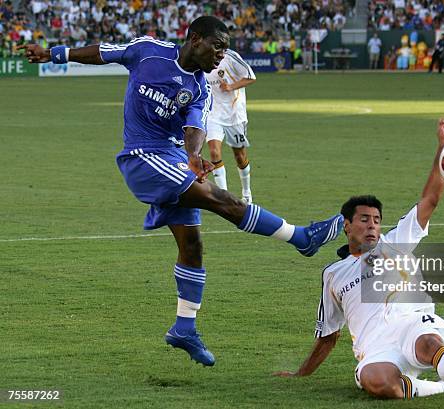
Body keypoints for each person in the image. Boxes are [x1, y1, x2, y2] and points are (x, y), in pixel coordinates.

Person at [19, 16, 344, 367]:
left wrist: (192, 156)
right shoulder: (148, 51)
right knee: (220, 200)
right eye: (217, 46)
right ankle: (301, 238)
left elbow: (195, 126)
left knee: (192, 245)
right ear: (195, 39)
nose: (221, 55)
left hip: (173, 157)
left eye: (225, 49)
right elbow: (102, 51)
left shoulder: (201, 88)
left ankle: (184, 327)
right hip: (142, 156)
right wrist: (54, 53)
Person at [275, 119, 444, 401]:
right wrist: (300, 373)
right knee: (377, 382)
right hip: (376, 345)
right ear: (347, 225)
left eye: (377, 220)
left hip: (415, 325)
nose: (372, 226)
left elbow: (429, 200)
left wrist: (442, 149)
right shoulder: (333, 274)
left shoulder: (394, 243)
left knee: (427, 343)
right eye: (364, 220)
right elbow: (329, 335)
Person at [205, 49, 256, 204]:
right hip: (213, 114)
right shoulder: (200, 59)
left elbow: (251, 77)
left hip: (235, 115)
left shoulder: (230, 56)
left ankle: (246, 193)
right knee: (214, 152)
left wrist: (231, 86)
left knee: (240, 157)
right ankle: (224, 198)